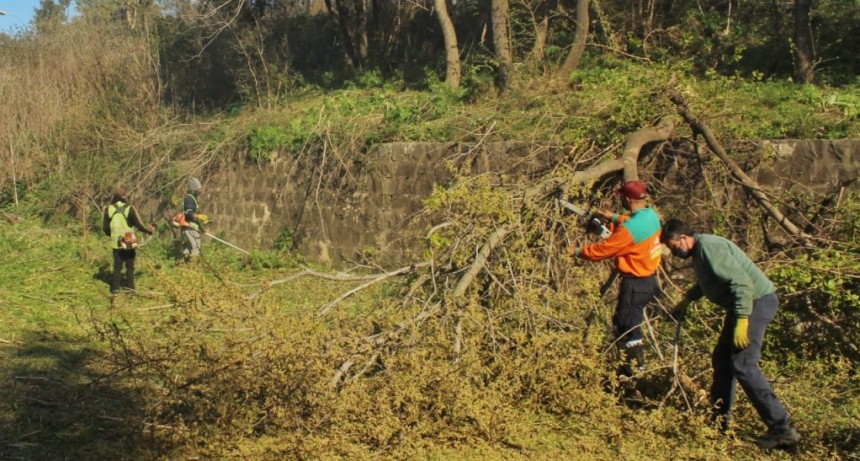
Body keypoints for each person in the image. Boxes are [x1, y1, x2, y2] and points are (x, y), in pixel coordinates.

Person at [661, 219, 800, 449]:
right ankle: (717, 424)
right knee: (722, 361)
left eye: (673, 245)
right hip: (744, 305)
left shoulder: (709, 247)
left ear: (684, 238)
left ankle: (783, 428)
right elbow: (711, 280)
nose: (673, 251)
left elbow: (742, 283)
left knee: (743, 365)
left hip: (755, 302)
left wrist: (743, 319)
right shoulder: (700, 251)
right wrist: (688, 298)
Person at [568, 180, 663, 376]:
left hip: (635, 283)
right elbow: (632, 222)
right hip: (648, 280)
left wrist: (577, 251)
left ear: (628, 199)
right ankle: (632, 368)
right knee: (628, 322)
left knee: (627, 327)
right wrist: (614, 217)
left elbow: (604, 250)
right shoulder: (651, 216)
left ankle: (634, 372)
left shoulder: (628, 232)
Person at [102, 187, 155, 294]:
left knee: (117, 267)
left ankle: (115, 291)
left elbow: (105, 228)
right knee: (130, 267)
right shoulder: (129, 208)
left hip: (116, 243)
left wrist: (112, 236)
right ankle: (130, 290)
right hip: (129, 242)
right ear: (124, 197)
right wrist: (148, 231)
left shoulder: (108, 209)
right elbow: (139, 225)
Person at [182, 177, 209, 259]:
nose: (200, 191)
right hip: (190, 228)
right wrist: (199, 216)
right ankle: (193, 267)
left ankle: (183, 263)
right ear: (194, 190)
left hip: (191, 227)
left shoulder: (192, 199)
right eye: (199, 189)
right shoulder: (189, 199)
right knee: (196, 248)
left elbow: (193, 217)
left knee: (189, 247)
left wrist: (201, 228)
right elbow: (189, 214)